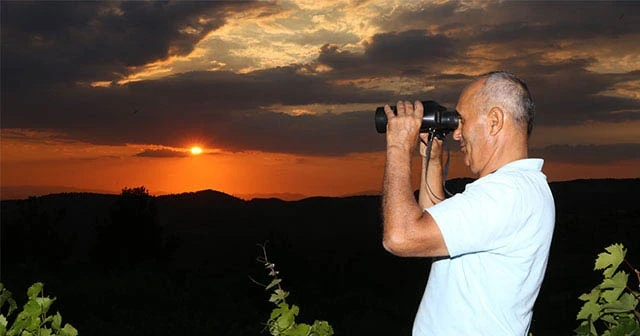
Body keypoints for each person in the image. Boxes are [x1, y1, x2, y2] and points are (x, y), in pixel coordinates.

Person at [381, 71, 555, 335]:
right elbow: (432, 228)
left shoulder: (507, 193)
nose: (457, 134)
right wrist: (432, 158)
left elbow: (400, 237)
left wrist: (397, 147)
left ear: (495, 121)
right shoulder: (522, 188)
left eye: (462, 120)